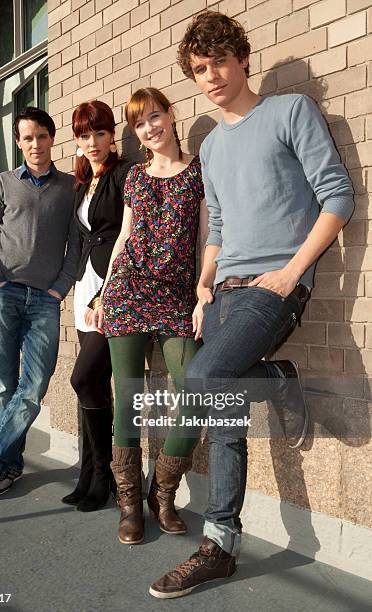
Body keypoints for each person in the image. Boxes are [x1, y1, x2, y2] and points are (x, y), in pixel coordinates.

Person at [149, 11, 354, 598]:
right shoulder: (211, 144)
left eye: (217, 62)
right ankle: (221, 545)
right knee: (224, 410)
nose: (209, 76)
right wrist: (202, 284)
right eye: (197, 69)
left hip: (275, 289)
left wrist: (292, 273)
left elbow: (336, 195)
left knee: (209, 377)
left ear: (242, 59)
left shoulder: (290, 112)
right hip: (221, 295)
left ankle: (276, 375)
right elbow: (217, 224)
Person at [92, 87, 207, 545]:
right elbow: (124, 236)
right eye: (140, 123)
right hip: (129, 290)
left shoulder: (199, 170)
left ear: (172, 114)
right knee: (128, 399)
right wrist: (103, 293)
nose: (149, 128)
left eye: (154, 116)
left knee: (197, 389)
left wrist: (203, 293)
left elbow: (203, 236)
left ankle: (162, 494)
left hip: (178, 296)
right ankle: (128, 504)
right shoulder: (135, 177)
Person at [0, 107, 80, 499]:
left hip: (45, 301)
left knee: (34, 385)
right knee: (4, 385)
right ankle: (9, 465)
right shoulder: (3, 183)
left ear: (52, 138)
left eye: (42, 136)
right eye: (28, 137)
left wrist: (61, 287)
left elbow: (76, 244)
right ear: (18, 142)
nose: (36, 144)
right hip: (4, 293)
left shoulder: (69, 187)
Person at [61, 100, 133, 512]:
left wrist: (108, 292)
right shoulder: (84, 179)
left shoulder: (124, 175)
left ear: (111, 135)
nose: (92, 142)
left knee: (82, 377)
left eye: (100, 133)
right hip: (84, 285)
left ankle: (103, 474)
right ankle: (88, 473)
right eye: (84, 135)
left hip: (110, 288)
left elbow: (129, 236)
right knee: (91, 384)